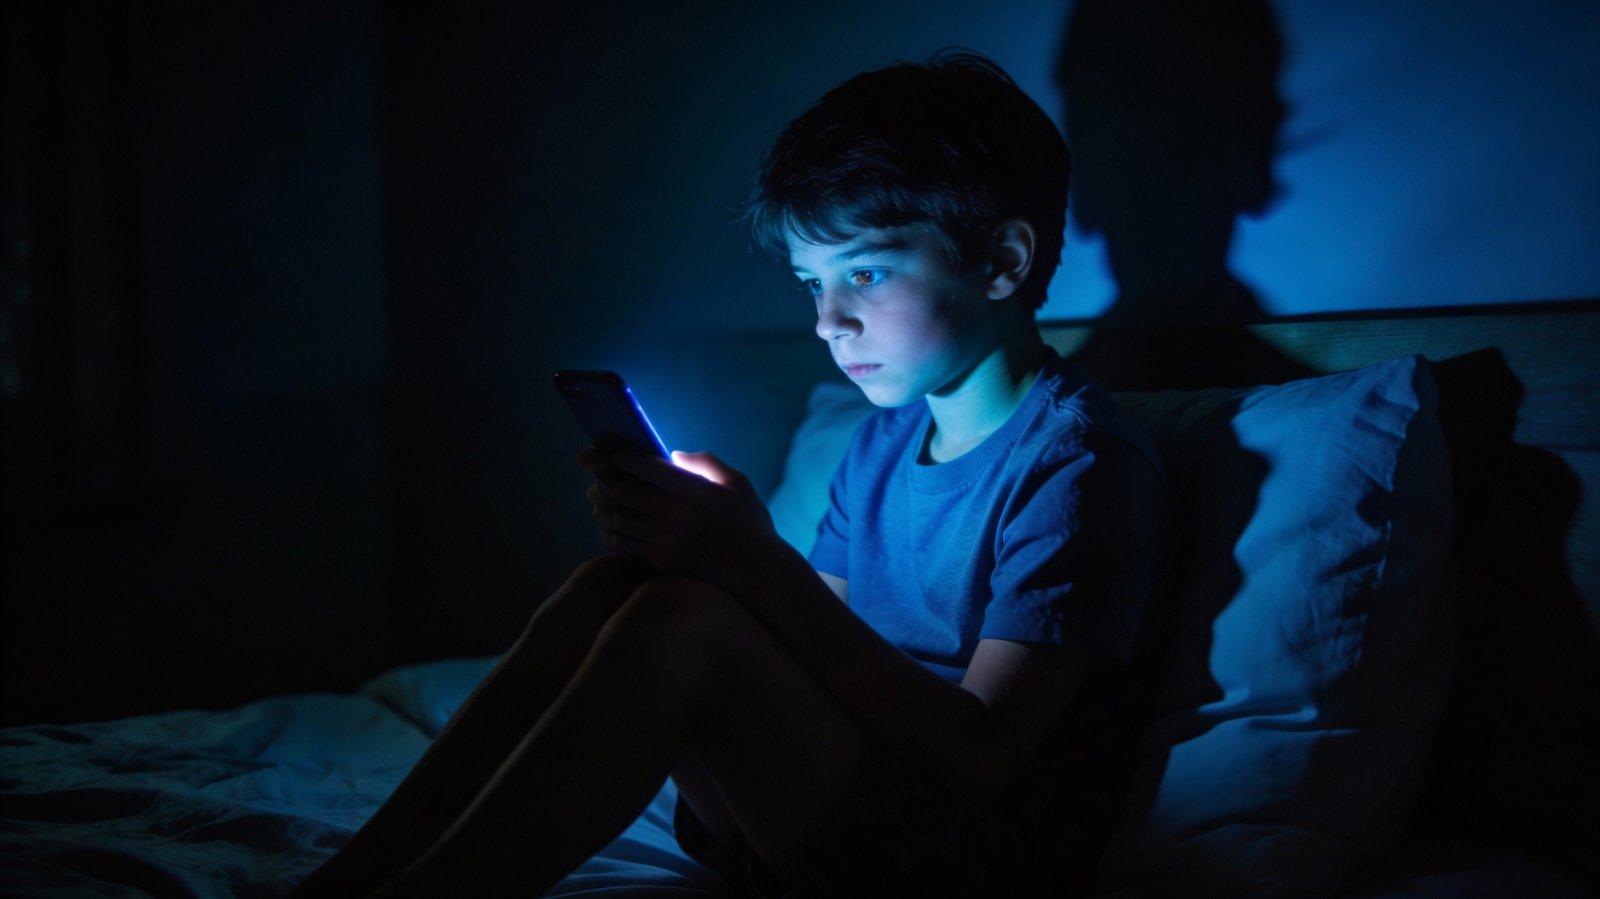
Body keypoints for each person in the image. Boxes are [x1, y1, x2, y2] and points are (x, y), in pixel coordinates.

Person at [291, 49, 1173, 898]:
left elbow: (983, 756)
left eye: (864, 271)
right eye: (810, 283)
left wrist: (752, 565)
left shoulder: (1078, 460)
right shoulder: (879, 444)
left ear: (1003, 261)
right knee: (617, 586)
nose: (830, 321)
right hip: (824, 801)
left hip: (968, 857)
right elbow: (813, 643)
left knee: (687, 625)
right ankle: (352, 882)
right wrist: (725, 548)